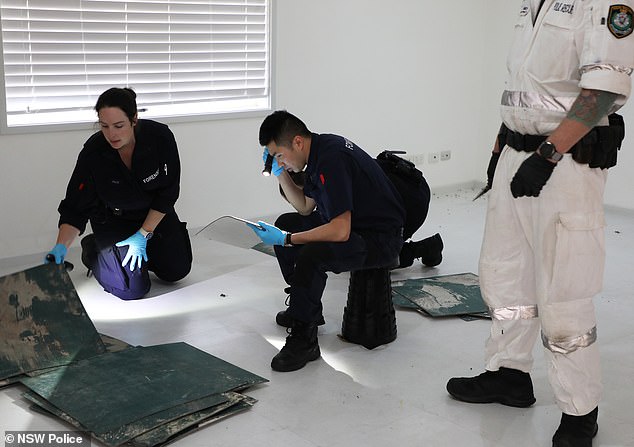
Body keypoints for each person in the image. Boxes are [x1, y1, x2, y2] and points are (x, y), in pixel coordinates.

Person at [446, 2, 633, 446]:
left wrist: (547, 154)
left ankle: (579, 410)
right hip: (516, 153)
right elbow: (521, 89)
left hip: (564, 163)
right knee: (506, 276)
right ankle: (509, 374)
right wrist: (498, 150)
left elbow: (603, 91)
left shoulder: (604, 4)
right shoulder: (532, 4)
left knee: (563, 289)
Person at [249, 110, 406, 372]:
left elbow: (340, 231)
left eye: (279, 155)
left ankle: (304, 339)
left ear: (297, 142)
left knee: (310, 252)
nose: (281, 161)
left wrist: (288, 240)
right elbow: (304, 208)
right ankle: (305, 304)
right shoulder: (318, 152)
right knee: (287, 223)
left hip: (380, 239)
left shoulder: (332, 159)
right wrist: (280, 173)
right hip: (357, 228)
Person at [45, 87, 192, 300]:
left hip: (153, 215)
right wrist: (60, 247)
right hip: (113, 220)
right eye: (104, 126)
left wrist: (143, 234)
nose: (111, 134)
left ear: (134, 119)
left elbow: (169, 192)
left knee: (177, 271)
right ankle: (95, 249)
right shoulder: (93, 153)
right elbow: (76, 206)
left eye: (119, 125)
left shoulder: (160, 138)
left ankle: (140, 252)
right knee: (132, 290)